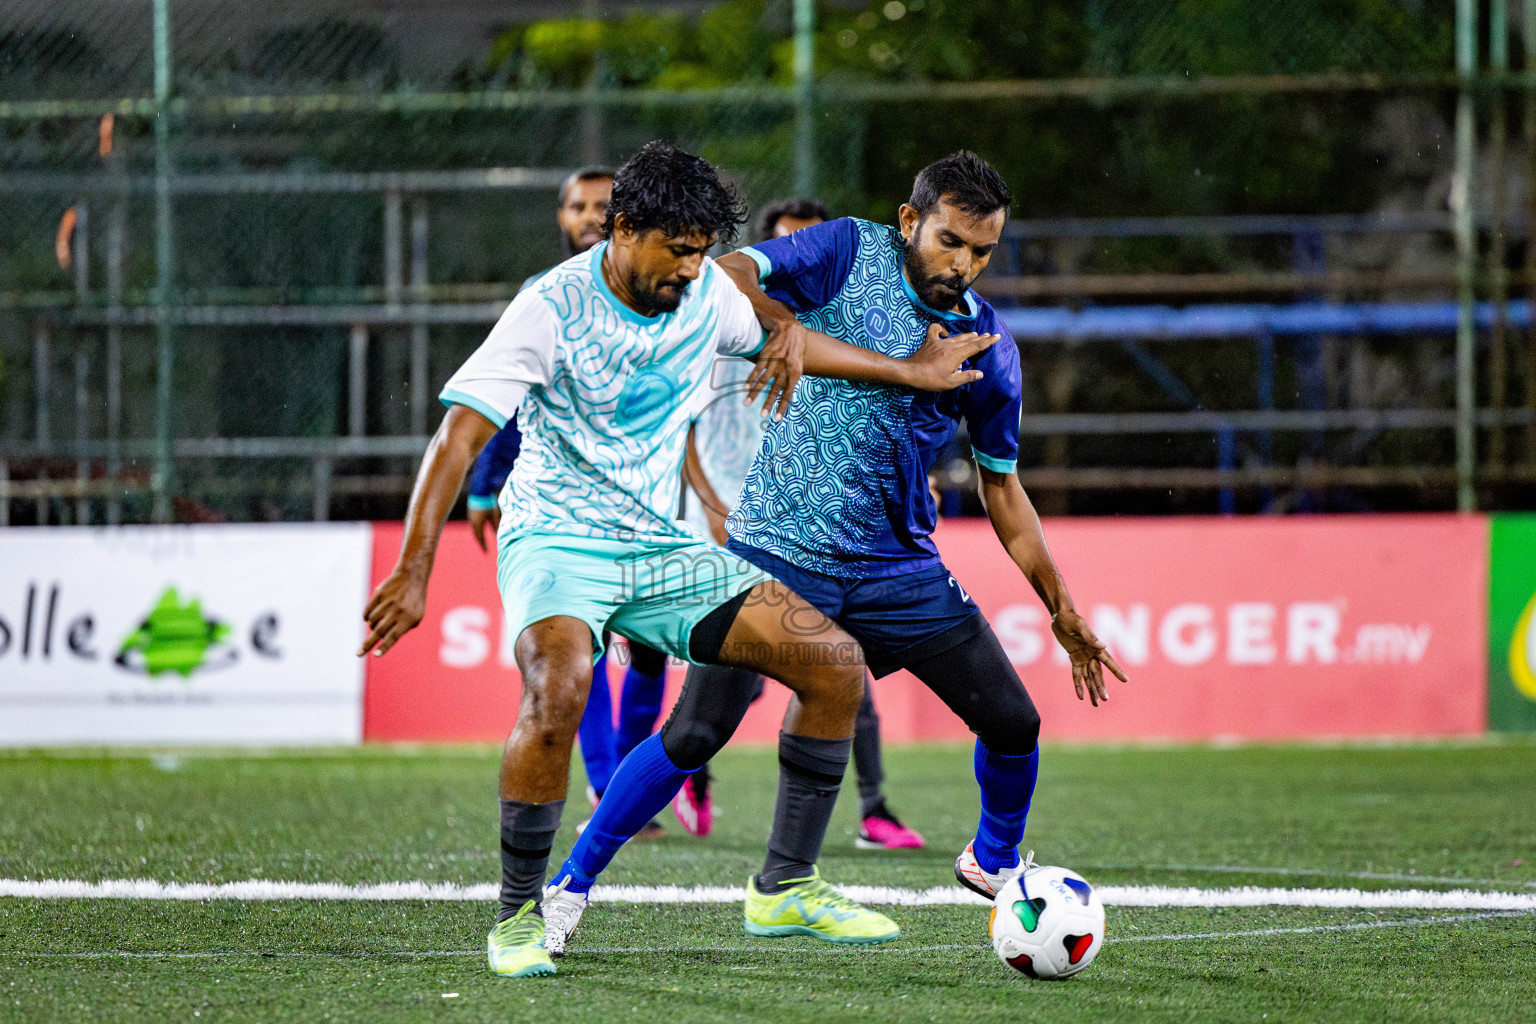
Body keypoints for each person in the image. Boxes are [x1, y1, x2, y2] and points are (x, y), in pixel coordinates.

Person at [359, 142, 997, 978]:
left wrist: (865, 357)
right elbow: (459, 436)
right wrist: (414, 569)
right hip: (557, 539)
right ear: (623, 230)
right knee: (559, 689)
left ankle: (786, 886)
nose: (695, 270)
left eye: (704, 251)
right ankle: (518, 917)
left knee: (833, 665)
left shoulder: (700, 295)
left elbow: (779, 324)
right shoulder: (549, 307)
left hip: (662, 547)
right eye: (679, 250)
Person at [547, 151, 1126, 952]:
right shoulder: (848, 250)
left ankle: (991, 861)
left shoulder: (989, 346)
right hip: (777, 552)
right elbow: (725, 276)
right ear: (908, 221)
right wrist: (783, 324)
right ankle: (570, 883)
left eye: (983, 251)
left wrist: (1061, 607)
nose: (963, 265)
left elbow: (1003, 490)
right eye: (950, 241)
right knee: (696, 732)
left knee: (1013, 720)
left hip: (898, 572)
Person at [672, 196, 924, 851]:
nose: (806, 260)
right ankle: (689, 765)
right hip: (731, 527)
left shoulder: (838, 339)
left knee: (845, 663)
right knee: (742, 680)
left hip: (806, 525)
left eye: (816, 247)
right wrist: (717, 509)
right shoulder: (727, 332)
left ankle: (875, 810)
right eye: (791, 247)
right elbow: (685, 431)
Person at [465, 166, 669, 840]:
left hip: (649, 496)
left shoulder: (666, 293)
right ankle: (610, 783)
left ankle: (632, 778)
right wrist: (483, 484)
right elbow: (508, 399)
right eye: (578, 205)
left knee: (646, 649)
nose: (589, 215)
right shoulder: (542, 296)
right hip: (560, 504)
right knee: (579, 645)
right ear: (561, 218)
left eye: (602, 205)